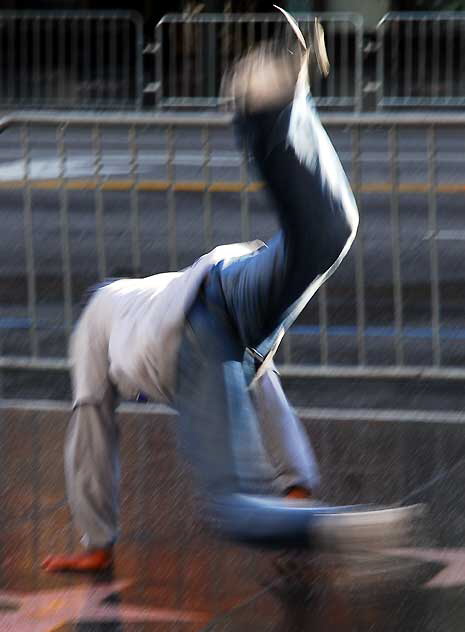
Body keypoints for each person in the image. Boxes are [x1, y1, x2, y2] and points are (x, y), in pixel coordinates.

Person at [42, 14, 416, 574]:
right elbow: (264, 386)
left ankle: (338, 531)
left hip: (199, 329)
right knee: (328, 233)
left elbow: (90, 433)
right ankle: (271, 105)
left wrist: (97, 541)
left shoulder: (97, 319)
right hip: (229, 276)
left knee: (231, 504)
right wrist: (295, 483)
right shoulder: (138, 295)